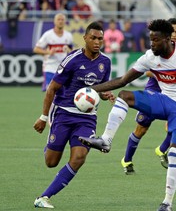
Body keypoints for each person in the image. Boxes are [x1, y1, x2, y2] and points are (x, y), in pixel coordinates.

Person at [79, 19, 176, 211]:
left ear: (168, 39)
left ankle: (167, 203)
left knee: (175, 151)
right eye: (150, 39)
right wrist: (90, 89)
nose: (151, 44)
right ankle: (106, 140)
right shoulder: (150, 57)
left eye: (155, 40)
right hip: (164, 101)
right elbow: (122, 80)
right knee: (124, 96)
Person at [33, 22, 115, 208]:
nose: (96, 42)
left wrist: (105, 94)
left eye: (100, 38)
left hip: (87, 118)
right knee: (51, 162)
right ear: (85, 38)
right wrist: (44, 117)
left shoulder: (105, 63)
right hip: (63, 113)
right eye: (93, 38)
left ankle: (44, 197)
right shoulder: (72, 59)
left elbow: (101, 88)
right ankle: (53, 142)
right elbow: (52, 88)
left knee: (79, 158)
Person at [120, 18, 176, 175]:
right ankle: (127, 159)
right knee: (141, 129)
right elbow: (147, 71)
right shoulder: (156, 51)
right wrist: (165, 74)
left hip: (174, 95)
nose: (175, 35)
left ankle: (162, 150)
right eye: (173, 31)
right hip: (154, 92)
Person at [33, 13, 73, 91]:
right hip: (50, 67)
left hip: (63, 68)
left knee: (63, 92)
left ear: (65, 22)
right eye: (58, 19)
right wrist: (48, 52)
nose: (60, 21)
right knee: (50, 92)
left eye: (62, 20)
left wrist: (69, 51)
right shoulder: (48, 35)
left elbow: (72, 51)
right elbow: (36, 49)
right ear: (54, 21)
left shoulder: (68, 36)